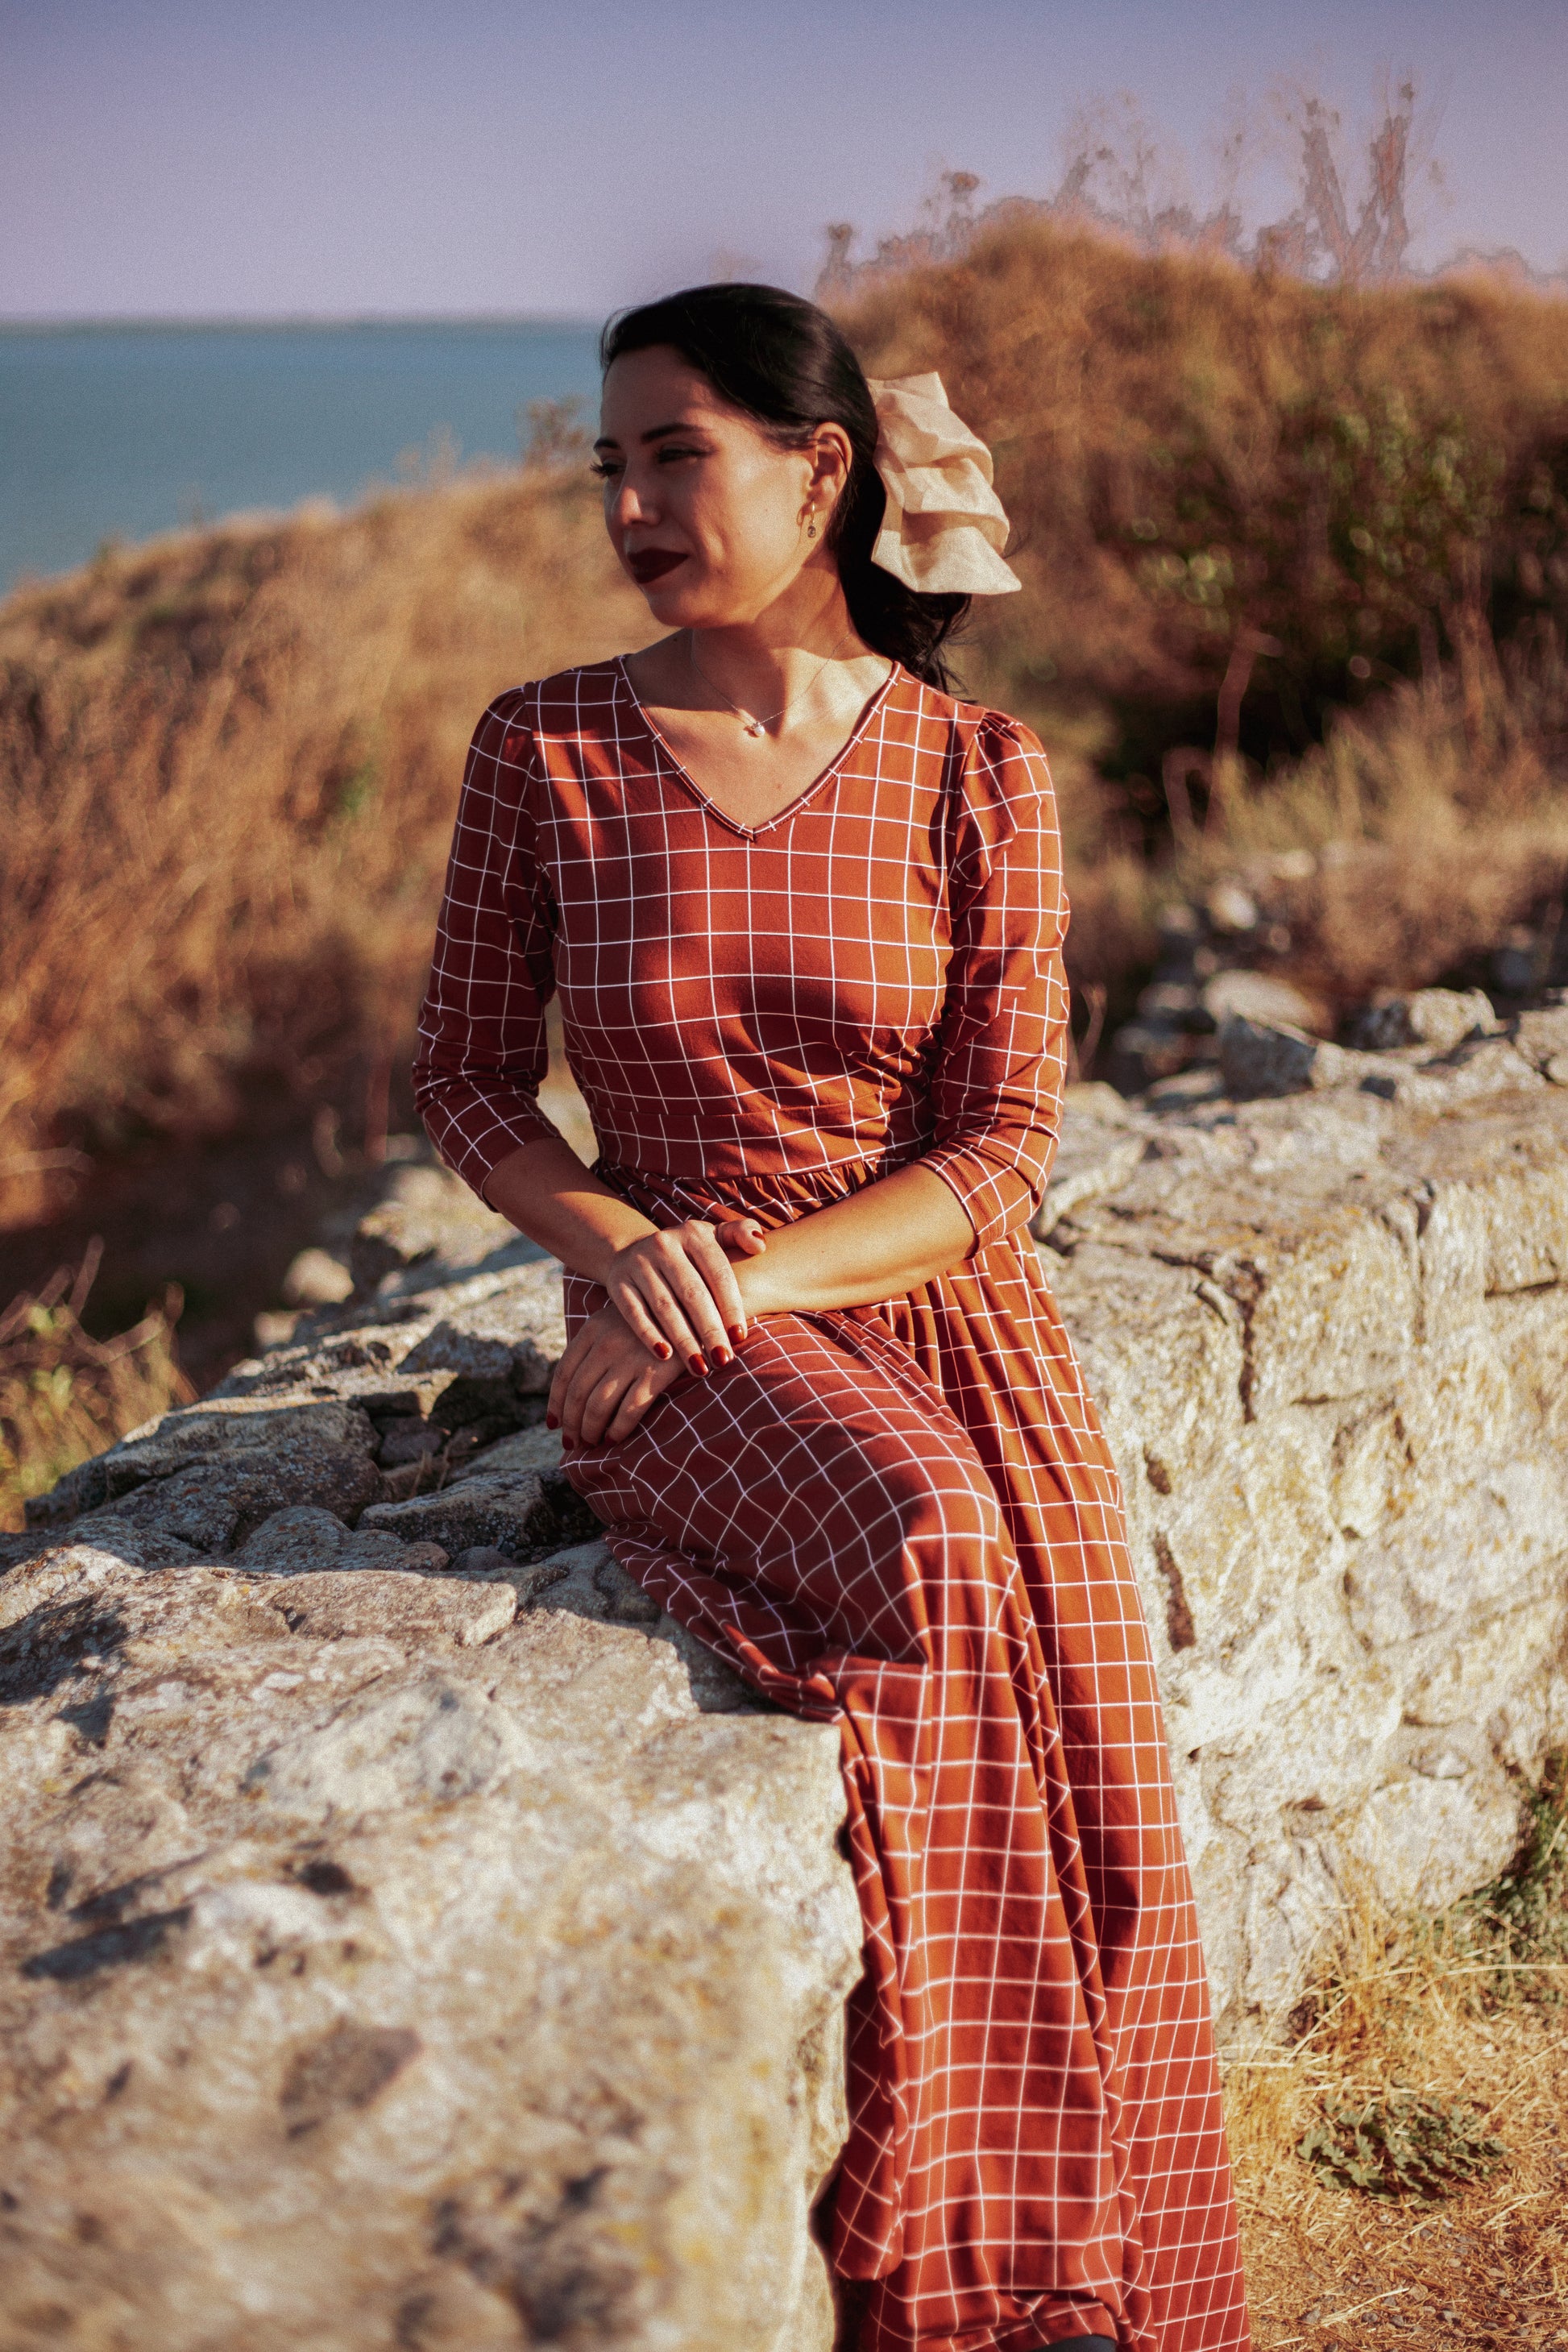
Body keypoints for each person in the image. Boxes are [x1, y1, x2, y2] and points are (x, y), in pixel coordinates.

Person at [413, 282, 1250, 2352]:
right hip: (680, 1327)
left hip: (935, 1315)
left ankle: (1113, 2276)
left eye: (671, 451)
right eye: (608, 461)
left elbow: (1000, 1150)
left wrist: (738, 1274)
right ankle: (968, 2284)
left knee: (1097, 1786)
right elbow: (458, 1083)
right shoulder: (550, 744)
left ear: (820, 470)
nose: (628, 499)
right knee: (925, 1538)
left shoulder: (981, 765)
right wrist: (632, 1252)